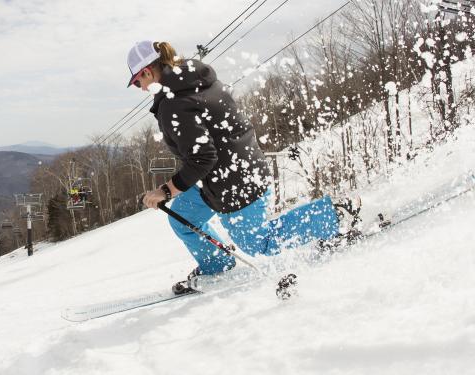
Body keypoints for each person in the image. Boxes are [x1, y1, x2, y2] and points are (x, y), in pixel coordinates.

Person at [128, 40, 360, 289]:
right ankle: (217, 266)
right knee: (183, 216)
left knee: (260, 242)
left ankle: (334, 215)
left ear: (147, 72)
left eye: (137, 82)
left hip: (235, 180)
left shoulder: (174, 103)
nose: (140, 88)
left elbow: (203, 158)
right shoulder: (193, 78)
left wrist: (164, 191)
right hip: (228, 172)